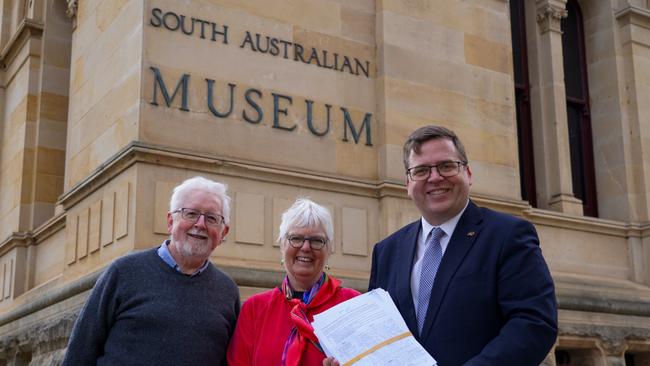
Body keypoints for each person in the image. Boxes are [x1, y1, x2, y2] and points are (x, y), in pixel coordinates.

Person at [326, 125, 558, 366]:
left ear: (468, 174)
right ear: (408, 183)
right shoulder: (387, 251)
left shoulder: (507, 235)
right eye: (422, 170)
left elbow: (534, 323)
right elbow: (379, 335)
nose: (435, 177)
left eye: (446, 166)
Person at [62, 176, 240, 366]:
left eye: (212, 218)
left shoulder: (227, 291)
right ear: (171, 221)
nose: (200, 224)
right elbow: (80, 352)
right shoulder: (124, 273)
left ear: (223, 233)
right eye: (191, 214)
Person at [227, 198, 360, 365]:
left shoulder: (352, 305)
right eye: (296, 238)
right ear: (282, 245)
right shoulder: (254, 310)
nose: (305, 247)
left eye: (317, 241)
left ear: (329, 249)